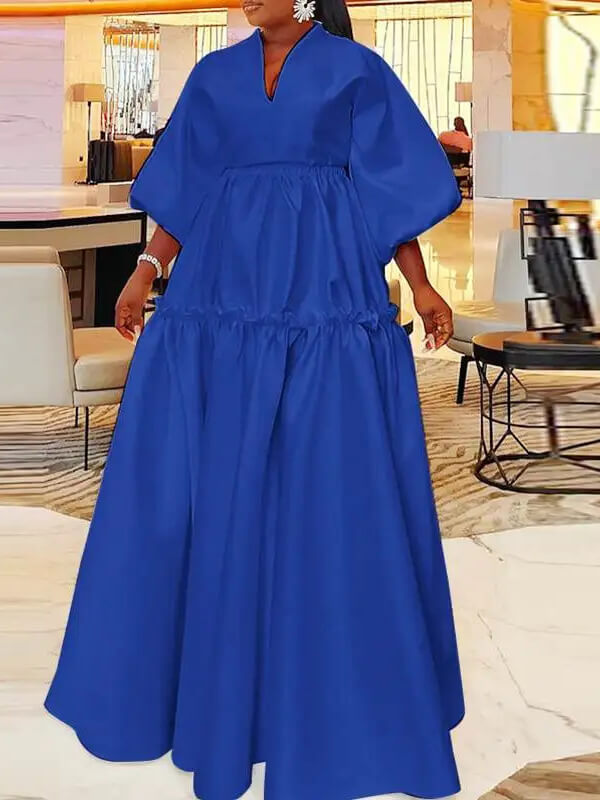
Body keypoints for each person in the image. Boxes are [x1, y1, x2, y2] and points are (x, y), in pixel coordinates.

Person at [45, 1, 465, 799]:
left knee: (325, 481)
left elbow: (384, 192)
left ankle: (329, 700)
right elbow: (188, 186)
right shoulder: (214, 75)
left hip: (324, 294)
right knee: (217, 476)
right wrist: (145, 270)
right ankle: (214, 691)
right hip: (220, 298)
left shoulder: (354, 69)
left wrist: (422, 285)